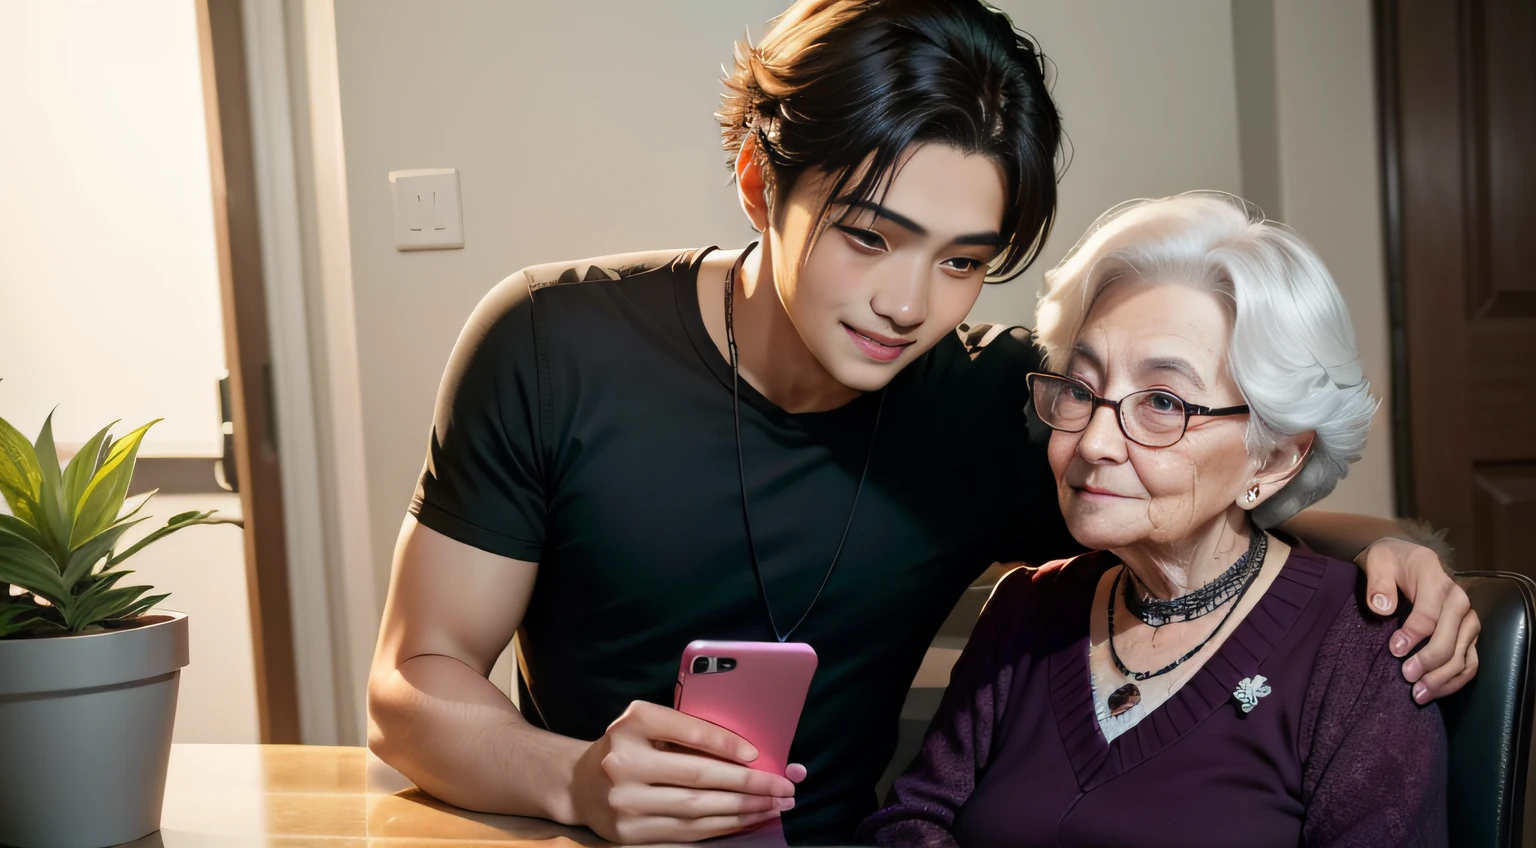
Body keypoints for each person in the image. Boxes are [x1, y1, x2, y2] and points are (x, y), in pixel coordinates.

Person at [366, 2, 1477, 844]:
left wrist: (1398, 562)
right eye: (868, 236)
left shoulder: (1000, 401)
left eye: (961, 261)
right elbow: (410, 681)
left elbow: (1200, 496)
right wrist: (571, 779)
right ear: (760, 182)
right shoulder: (550, 342)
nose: (910, 303)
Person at [859, 192, 1449, 847]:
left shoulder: (1360, 650)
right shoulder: (1026, 611)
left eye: (1163, 402)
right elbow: (908, 822)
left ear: (1275, 457)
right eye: (1081, 390)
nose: (1093, 443)